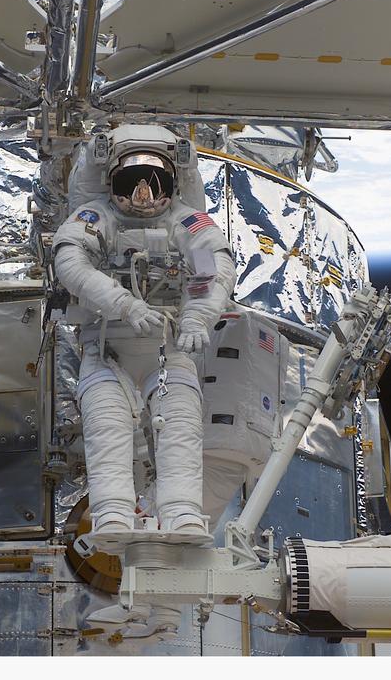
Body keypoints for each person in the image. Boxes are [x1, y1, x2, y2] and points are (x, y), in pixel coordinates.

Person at [53, 125, 237, 549]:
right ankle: (113, 512)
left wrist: (197, 318)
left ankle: (183, 513)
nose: (143, 194)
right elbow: (71, 261)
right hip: (108, 345)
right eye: (130, 182)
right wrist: (125, 304)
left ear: (173, 185)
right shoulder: (97, 216)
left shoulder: (185, 222)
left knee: (179, 423)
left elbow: (212, 268)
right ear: (110, 181)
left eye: (155, 182)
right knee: (108, 425)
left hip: (169, 345)